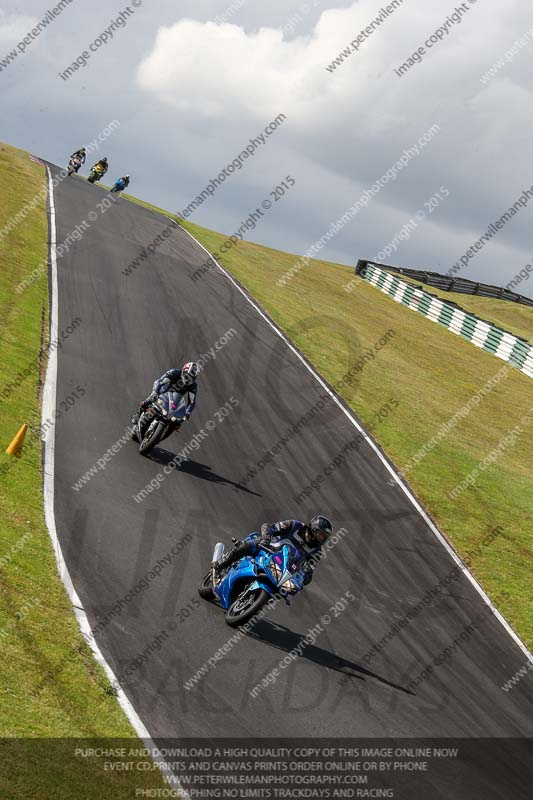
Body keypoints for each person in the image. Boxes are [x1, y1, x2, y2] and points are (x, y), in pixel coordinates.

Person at [213, 515, 333, 584]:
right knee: (245, 546)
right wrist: (266, 539)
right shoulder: (295, 526)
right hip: (267, 549)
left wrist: (304, 579)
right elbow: (268, 526)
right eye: (320, 534)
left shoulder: (317, 551)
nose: (321, 538)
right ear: (313, 528)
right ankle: (220, 566)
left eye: (324, 537)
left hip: (282, 569)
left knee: (283, 591)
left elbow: (309, 570)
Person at [132, 361, 199, 425]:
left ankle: (166, 429)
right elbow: (159, 381)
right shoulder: (174, 373)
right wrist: (155, 391)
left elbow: (192, 402)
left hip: (175, 402)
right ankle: (138, 414)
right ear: (183, 371)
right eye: (187, 376)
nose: (188, 379)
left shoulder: (193, 386)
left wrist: (187, 413)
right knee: (152, 398)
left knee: (178, 421)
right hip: (163, 393)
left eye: (191, 378)